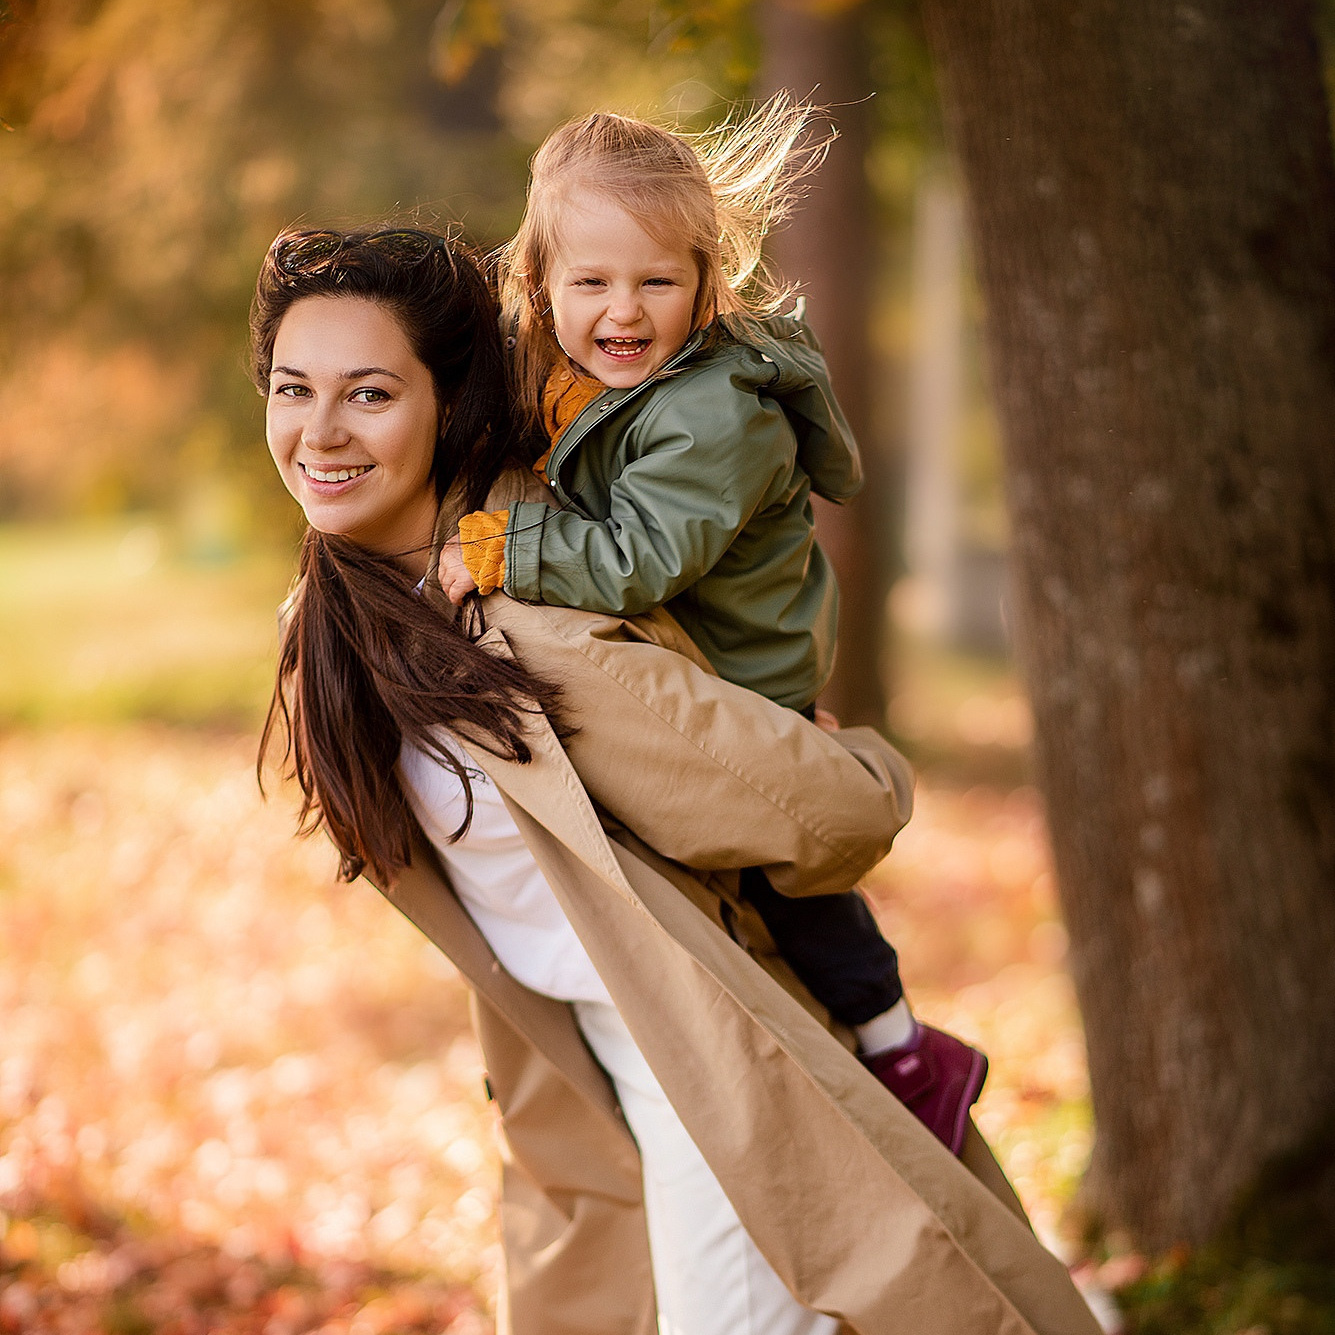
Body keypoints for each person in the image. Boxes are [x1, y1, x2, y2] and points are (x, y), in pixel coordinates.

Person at [253, 224, 1101, 1335]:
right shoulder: (346, 617)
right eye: (291, 389)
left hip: (711, 1082)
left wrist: (865, 763)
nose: (319, 432)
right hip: (591, 1085)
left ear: (447, 407)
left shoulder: (535, 631)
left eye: (368, 394)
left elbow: (830, 812)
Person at [435, 97, 985, 1154]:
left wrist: (500, 550)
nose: (623, 311)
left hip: (744, 666)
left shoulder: (712, 413)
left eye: (656, 281)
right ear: (542, 283)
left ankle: (904, 1045)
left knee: (779, 872)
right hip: (705, 652)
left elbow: (641, 558)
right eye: (590, 282)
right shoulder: (572, 378)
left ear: (704, 281)